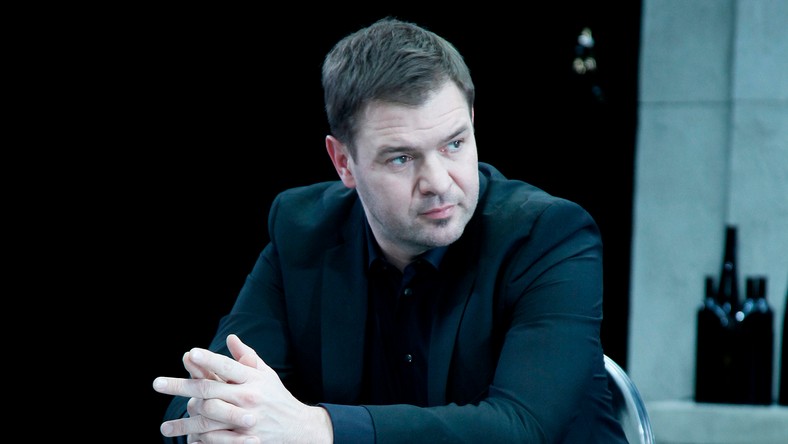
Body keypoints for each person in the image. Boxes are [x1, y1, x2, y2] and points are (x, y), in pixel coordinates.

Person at [153, 17, 629, 443]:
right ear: (344, 162)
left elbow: (522, 428)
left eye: (454, 144)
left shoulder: (549, 237)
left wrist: (319, 428)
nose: (438, 182)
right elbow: (206, 398)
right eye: (402, 158)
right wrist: (218, 426)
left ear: (472, 125)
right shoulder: (302, 230)